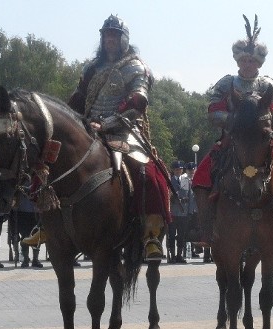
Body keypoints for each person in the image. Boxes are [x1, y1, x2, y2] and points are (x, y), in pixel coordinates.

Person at [191, 15, 273, 247]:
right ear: (238, 61)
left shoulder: (269, 85)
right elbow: (214, 111)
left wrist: (265, 119)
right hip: (231, 139)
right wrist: (235, 120)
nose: (248, 64)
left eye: (252, 61)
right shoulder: (226, 84)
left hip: (264, 139)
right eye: (244, 60)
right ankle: (206, 227)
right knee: (200, 177)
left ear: (259, 63)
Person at [66, 14, 171, 261]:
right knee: (56, 160)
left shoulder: (135, 66)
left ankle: (151, 234)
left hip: (124, 129)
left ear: (123, 39)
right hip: (88, 129)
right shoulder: (91, 68)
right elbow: (79, 99)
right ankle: (47, 225)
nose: (109, 39)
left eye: (114, 35)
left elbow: (137, 102)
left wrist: (105, 123)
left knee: (148, 174)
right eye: (106, 35)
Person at [14, 179, 43, 268]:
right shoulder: (20, 178)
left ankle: (35, 259)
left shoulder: (39, 177)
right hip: (22, 211)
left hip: (36, 211)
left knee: (37, 236)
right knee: (25, 236)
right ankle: (25, 259)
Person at [167, 161, 188, 263]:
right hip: (173, 212)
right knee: (171, 235)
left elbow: (188, 194)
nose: (178, 171)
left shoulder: (185, 180)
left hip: (183, 212)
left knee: (181, 235)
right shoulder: (169, 181)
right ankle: (172, 256)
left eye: (180, 169)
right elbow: (168, 195)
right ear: (173, 170)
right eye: (176, 169)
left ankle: (179, 255)